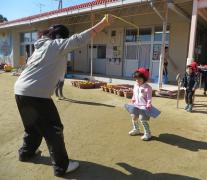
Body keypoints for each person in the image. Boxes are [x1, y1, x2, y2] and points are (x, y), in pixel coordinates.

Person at [14, 15, 113, 176]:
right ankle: (62, 166)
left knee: (32, 127)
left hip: (20, 90)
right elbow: (79, 39)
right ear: (60, 37)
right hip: (36, 94)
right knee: (54, 129)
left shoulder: (39, 47)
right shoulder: (56, 45)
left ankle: (26, 153)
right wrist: (103, 23)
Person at [129, 67, 153, 141]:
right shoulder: (135, 85)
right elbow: (134, 93)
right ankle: (136, 129)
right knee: (134, 117)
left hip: (144, 106)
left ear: (144, 78)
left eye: (139, 79)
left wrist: (148, 104)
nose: (137, 80)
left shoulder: (148, 87)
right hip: (136, 104)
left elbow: (149, 97)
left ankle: (148, 133)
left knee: (143, 120)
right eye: (136, 78)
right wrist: (133, 99)